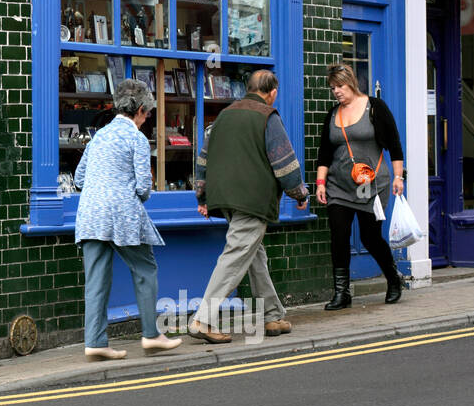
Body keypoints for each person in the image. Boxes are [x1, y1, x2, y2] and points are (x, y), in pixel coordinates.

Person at [192, 70, 309, 343]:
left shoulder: (223, 116)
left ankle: (272, 315)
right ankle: (203, 319)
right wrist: (300, 193)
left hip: (225, 198)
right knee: (235, 255)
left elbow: (203, 159)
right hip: (252, 199)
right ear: (272, 93)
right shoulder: (268, 116)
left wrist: (202, 196)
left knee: (254, 254)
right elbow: (285, 162)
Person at [74, 79, 183, 360]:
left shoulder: (99, 136)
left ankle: (95, 342)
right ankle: (151, 335)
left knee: (96, 282)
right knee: (145, 269)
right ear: (141, 110)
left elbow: (79, 179)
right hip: (121, 215)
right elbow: (144, 187)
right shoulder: (136, 138)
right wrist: (126, 192)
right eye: (148, 114)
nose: (147, 118)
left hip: (89, 214)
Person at [315, 64, 406, 309]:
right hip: (339, 185)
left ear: (352, 83)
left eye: (340, 86)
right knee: (339, 237)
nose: (336, 92)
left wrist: (399, 177)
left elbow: (395, 146)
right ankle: (342, 293)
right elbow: (324, 153)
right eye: (333, 88)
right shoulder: (333, 114)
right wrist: (321, 183)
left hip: (371, 184)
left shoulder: (376, 107)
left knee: (370, 237)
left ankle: (393, 279)